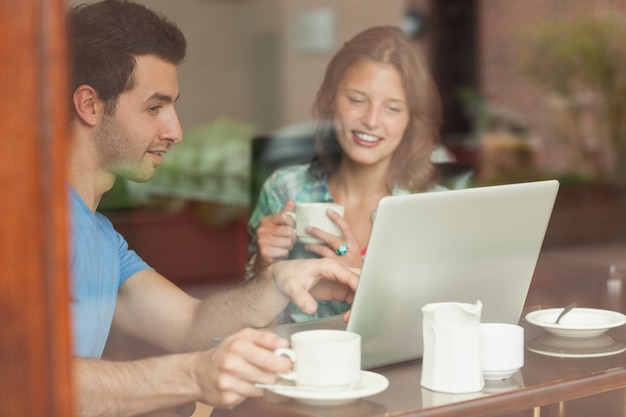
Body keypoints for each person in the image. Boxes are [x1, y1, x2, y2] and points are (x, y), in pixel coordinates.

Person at [66, 1, 358, 415]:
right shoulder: (26, 225)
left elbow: (191, 325)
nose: (176, 131)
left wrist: (278, 280)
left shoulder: (99, 236)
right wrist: (192, 375)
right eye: (155, 107)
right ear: (90, 105)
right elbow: (21, 378)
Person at [246, 26, 444, 323]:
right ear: (330, 101)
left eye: (392, 108)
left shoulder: (432, 208)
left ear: (410, 122)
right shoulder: (285, 189)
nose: (371, 120)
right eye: (356, 100)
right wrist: (264, 263)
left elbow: (440, 321)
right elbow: (251, 322)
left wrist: (362, 280)